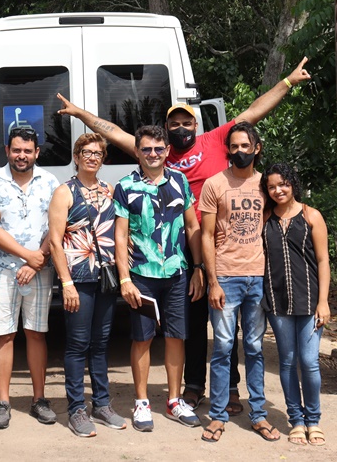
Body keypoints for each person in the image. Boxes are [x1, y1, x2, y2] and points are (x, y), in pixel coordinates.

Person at [58, 57, 311, 410]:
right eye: (174, 123)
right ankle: (191, 388)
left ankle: (230, 390)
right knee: (187, 325)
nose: (180, 128)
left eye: (186, 122)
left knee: (220, 327)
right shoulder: (155, 151)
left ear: (196, 123)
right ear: (164, 130)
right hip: (164, 256)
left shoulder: (214, 141)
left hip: (207, 248)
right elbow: (112, 131)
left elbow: (254, 112)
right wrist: (80, 113)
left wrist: (288, 81)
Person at [114, 125, 205, 433]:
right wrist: (124, 279)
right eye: (146, 149)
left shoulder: (180, 181)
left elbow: (193, 228)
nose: (152, 154)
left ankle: (175, 400)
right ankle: (141, 403)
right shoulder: (126, 186)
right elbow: (120, 235)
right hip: (142, 275)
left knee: (176, 336)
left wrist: (199, 268)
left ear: (167, 151)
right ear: (137, 152)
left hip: (178, 274)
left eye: (158, 149)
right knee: (142, 338)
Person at [198, 122, 279, 443]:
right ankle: (217, 416)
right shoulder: (214, 184)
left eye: (246, 146)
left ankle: (258, 414)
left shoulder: (266, 185)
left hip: (258, 279)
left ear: (257, 148)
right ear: (227, 149)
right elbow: (205, 235)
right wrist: (212, 281)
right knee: (222, 348)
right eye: (233, 146)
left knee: (256, 348)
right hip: (226, 279)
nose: (239, 151)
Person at [0, 127, 62, 430]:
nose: (21, 155)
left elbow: (57, 226)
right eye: (16, 150)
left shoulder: (51, 182)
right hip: (2, 271)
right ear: (7, 150)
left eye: (27, 150)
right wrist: (28, 256)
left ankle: (39, 399)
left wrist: (37, 260)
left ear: (37, 152)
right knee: (4, 334)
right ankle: (3, 402)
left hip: (39, 269)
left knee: (36, 333)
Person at [48, 134, 127, 438]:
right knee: (77, 344)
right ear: (76, 156)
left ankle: (103, 403)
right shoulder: (64, 193)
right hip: (78, 277)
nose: (92, 157)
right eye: (86, 152)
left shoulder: (109, 190)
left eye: (98, 153)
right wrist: (65, 283)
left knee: (101, 343)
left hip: (105, 277)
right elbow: (55, 242)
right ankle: (76, 408)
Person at [260, 163, 331, 447]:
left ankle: (313, 420)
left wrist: (324, 301)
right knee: (287, 362)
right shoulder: (265, 218)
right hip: (277, 303)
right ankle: (297, 421)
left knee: (310, 361)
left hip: (311, 301)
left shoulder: (311, 215)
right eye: (272, 186)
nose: (278, 190)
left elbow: (324, 260)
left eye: (283, 184)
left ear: (293, 184)